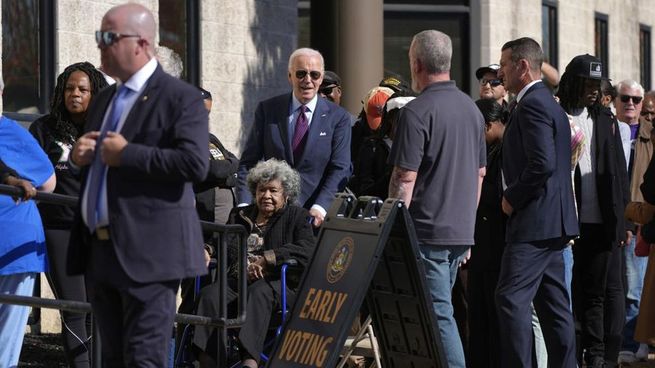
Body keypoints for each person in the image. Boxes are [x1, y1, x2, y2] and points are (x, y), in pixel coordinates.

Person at [68, 4, 209, 366]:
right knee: (111, 359)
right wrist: (82, 157)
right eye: (99, 36)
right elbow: (103, 166)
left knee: (144, 359)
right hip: (101, 252)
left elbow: (194, 163)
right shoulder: (105, 100)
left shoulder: (180, 97)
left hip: (150, 256)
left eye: (108, 37)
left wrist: (128, 154)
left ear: (142, 43)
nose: (100, 45)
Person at [388, 30, 486, 368]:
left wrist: (391, 224)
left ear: (416, 64)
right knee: (442, 313)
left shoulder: (416, 112)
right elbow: (479, 175)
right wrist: (467, 227)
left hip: (427, 233)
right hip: (460, 232)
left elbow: (404, 178)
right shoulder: (473, 111)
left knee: (438, 314)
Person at [495, 37, 579, 368]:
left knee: (510, 299)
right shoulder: (544, 101)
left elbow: (541, 163)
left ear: (522, 66)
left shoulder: (533, 104)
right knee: (553, 306)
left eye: (503, 65)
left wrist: (511, 198)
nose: (500, 72)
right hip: (552, 224)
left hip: (534, 223)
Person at [193, 159, 315, 368]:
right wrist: (207, 250)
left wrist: (269, 259)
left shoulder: (297, 216)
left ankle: (249, 361)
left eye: (273, 191)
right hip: (238, 280)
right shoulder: (239, 215)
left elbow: (308, 249)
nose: (266, 196)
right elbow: (220, 240)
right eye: (261, 190)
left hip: (278, 284)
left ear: (286, 193)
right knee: (210, 295)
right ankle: (208, 359)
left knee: (258, 293)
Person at [28, 61, 108, 368]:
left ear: (95, 94)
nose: (74, 94)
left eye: (83, 89)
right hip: (59, 227)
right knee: (75, 307)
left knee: (100, 306)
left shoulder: (106, 131)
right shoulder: (43, 128)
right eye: (69, 88)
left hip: (99, 227)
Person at [556, 54, 631, 368]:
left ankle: (597, 354)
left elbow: (619, 172)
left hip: (601, 223)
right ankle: (571, 352)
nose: (592, 90)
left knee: (597, 293)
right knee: (568, 292)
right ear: (573, 82)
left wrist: (622, 221)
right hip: (566, 223)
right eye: (586, 83)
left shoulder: (605, 118)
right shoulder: (557, 114)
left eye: (596, 84)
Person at [236, 48, 351, 228]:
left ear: (320, 78)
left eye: (314, 74)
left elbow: (340, 168)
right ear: (290, 76)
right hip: (271, 216)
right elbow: (248, 163)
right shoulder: (268, 110)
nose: (308, 80)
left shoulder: (338, 117)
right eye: (301, 74)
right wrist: (243, 207)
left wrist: (320, 207)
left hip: (312, 218)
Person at [0, 90, 56, 366]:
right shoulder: (11, 132)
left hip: (15, 240)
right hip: (17, 239)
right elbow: (48, 183)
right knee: (6, 341)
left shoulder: (9, 131)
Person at [614, 81, 653, 364]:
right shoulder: (607, 129)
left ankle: (633, 341)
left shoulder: (650, 136)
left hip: (636, 219)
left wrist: (635, 220)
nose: (630, 104)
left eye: (635, 100)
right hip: (607, 218)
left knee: (633, 287)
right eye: (625, 98)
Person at [466, 98, 507, 368]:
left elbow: (503, 195)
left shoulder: (507, 150)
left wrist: (474, 185)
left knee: (494, 319)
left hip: (499, 246)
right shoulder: (490, 149)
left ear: (489, 124)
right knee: (478, 316)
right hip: (482, 246)